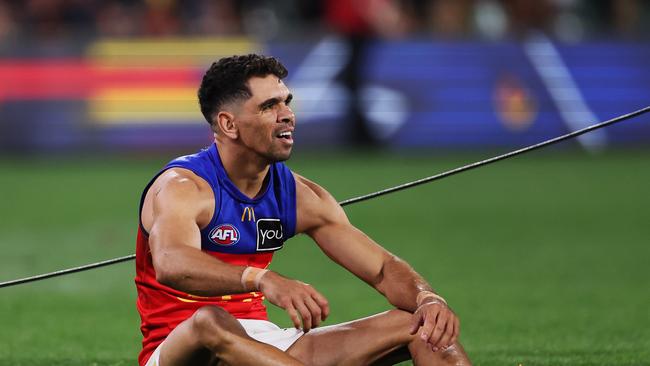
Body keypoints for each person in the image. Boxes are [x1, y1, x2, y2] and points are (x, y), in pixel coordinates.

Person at [135, 54, 472, 366]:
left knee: (421, 325)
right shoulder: (183, 186)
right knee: (210, 321)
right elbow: (171, 262)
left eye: (286, 102)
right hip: (180, 347)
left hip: (264, 345)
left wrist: (427, 299)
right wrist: (262, 278)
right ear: (228, 124)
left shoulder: (296, 193)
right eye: (269, 105)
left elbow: (382, 269)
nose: (287, 115)